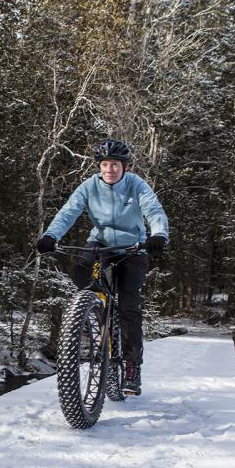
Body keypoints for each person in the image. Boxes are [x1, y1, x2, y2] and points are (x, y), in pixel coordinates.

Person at [35, 139, 169, 396]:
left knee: (129, 305)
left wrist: (159, 235)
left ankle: (131, 366)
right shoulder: (89, 186)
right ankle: (91, 313)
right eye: (105, 164)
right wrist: (51, 236)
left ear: (124, 166)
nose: (110, 169)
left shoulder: (136, 185)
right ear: (100, 166)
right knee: (82, 267)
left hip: (133, 248)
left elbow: (154, 210)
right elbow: (68, 212)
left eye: (115, 165)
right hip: (100, 243)